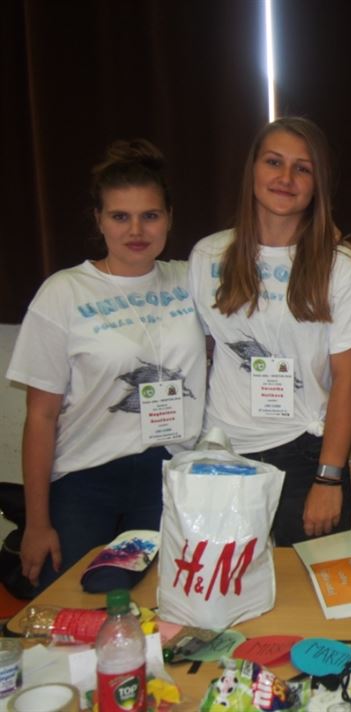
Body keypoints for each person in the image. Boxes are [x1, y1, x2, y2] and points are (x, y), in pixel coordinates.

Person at [7, 139, 206, 591]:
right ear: (99, 219)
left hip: (167, 474)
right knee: (71, 601)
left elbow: (266, 258)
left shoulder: (190, 278)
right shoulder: (63, 293)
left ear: (169, 217)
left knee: (157, 603)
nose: (136, 230)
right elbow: (40, 416)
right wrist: (37, 522)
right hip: (85, 478)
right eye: (120, 216)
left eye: (150, 215)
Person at [188, 117, 351, 546]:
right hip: (223, 453)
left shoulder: (341, 267)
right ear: (252, 169)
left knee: (312, 586)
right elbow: (201, 353)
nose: (286, 178)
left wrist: (328, 478)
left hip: (306, 455)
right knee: (225, 584)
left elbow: (349, 380)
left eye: (302, 168)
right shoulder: (208, 255)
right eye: (274, 162)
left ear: (318, 183)